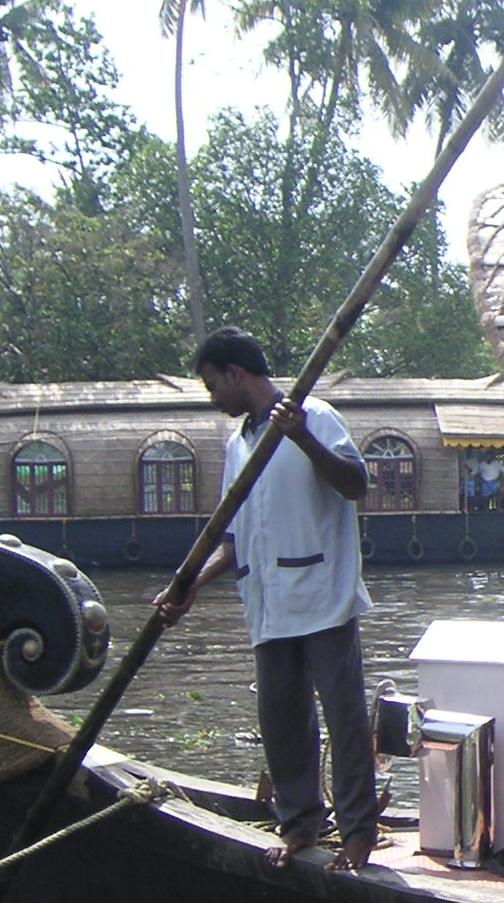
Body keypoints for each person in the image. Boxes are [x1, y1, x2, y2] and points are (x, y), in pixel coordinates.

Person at [155, 328, 381, 872]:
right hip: (268, 602)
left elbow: (356, 484)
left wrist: (302, 437)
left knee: (344, 716)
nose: (214, 398)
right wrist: (188, 588)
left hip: (321, 593)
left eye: (213, 385)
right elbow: (235, 539)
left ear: (236, 374)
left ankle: (356, 837)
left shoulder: (315, 416)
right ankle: (301, 823)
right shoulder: (238, 444)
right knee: (281, 718)